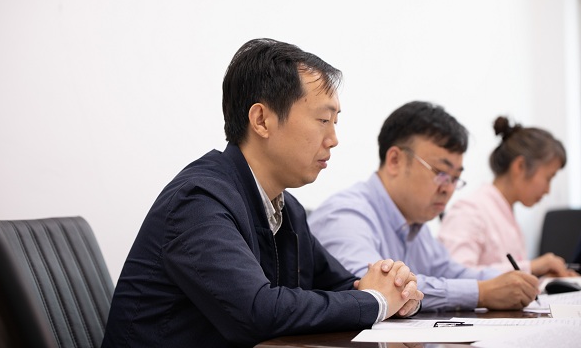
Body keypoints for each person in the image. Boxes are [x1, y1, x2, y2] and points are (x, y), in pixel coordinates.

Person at [101, 39, 423, 348]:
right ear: (262, 120)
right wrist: (376, 301)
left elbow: (343, 286)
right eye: (323, 120)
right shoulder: (198, 200)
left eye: (335, 122)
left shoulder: (286, 208)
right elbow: (256, 312)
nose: (334, 139)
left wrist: (397, 292)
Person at [308, 101, 539, 312]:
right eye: (441, 173)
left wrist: (513, 281)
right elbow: (374, 288)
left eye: (455, 178)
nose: (448, 188)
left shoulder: (416, 226)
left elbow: (454, 272)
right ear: (395, 160)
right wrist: (482, 293)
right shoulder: (344, 215)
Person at [438, 117, 574, 277]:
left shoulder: (505, 213)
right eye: (548, 178)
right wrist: (531, 267)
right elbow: (454, 278)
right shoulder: (469, 212)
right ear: (520, 166)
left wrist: (544, 280)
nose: (548, 190)